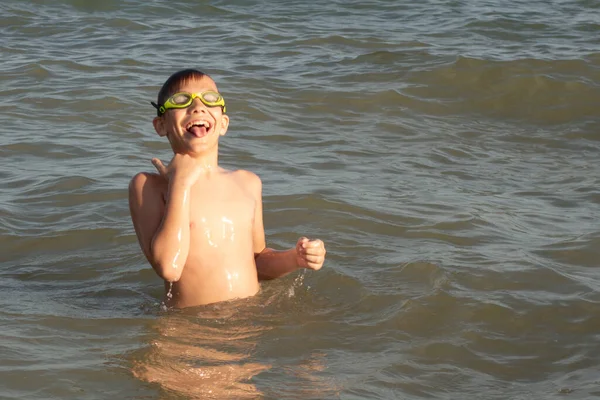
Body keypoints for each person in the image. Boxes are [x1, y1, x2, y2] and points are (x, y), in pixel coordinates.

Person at [128, 69, 326, 308]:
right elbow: (169, 267)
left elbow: (257, 262)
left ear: (223, 123)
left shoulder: (247, 183)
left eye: (209, 99)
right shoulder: (148, 186)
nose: (198, 107)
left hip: (246, 328)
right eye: (182, 100)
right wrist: (180, 185)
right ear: (161, 125)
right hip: (186, 333)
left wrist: (294, 258)